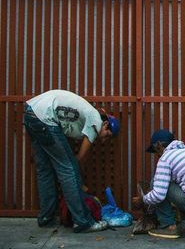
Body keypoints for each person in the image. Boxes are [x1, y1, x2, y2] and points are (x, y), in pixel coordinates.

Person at [23, 89, 120, 233]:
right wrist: (81, 184)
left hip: (31, 112)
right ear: (105, 124)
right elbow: (79, 159)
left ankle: (46, 217)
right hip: (45, 117)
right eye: (107, 135)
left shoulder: (86, 117)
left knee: (45, 170)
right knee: (69, 170)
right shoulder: (95, 120)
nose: (104, 140)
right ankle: (83, 221)